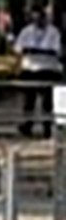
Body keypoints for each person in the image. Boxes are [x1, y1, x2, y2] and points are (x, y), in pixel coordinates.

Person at [16, 8, 63, 136]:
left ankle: (47, 127)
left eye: (40, 18)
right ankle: (27, 125)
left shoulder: (53, 32)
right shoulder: (26, 31)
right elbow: (19, 48)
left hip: (48, 69)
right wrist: (36, 51)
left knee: (47, 102)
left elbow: (56, 50)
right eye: (35, 18)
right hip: (30, 69)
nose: (38, 21)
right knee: (28, 100)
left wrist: (35, 51)